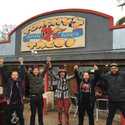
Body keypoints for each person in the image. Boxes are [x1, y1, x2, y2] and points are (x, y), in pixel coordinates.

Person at [21, 57, 51, 125]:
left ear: (38, 71)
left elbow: (45, 69)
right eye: (34, 70)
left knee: (40, 113)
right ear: (33, 71)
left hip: (40, 97)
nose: (36, 71)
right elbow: (25, 71)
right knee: (33, 113)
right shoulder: (30, 76)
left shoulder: (41, 75)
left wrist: (48, 61)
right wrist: (22, 63)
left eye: (37, 70)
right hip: (32, 97)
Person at [5, 57, 25, 125]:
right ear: (11, 75)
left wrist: (21, 63)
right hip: (10, 103)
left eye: (16, 75)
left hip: (19, 103)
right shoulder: (9, 81)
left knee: (21, 118)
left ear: (18, 76)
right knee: (8, 118)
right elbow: (3, 74)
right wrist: (7, 98)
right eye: (13, 75)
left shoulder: (19, 81)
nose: (15, 76)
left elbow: (22, 73)